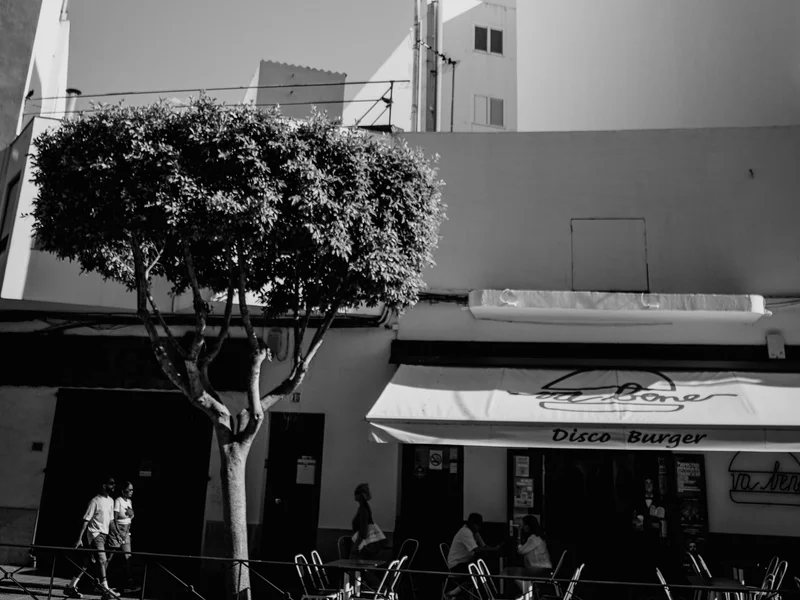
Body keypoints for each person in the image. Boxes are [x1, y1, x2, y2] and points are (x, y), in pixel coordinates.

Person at [65, 477, 118, 599]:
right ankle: (105, 590)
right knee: (102, 559)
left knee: (86, 563)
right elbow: (85, 520)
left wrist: (117, 535)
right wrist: (79, 539)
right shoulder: (95, 501)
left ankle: (70, 587)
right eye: (111, 484)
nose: (114, 486)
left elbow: (111, 521)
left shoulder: (110, 501)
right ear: (104, 486)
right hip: (95, 534)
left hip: (104, 535)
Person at [445, 513, 500, 596]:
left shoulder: (474, 532)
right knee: (474, 577)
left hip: (464, 562)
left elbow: (484, 546)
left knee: (480, 573)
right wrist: (494, 549)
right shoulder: (465, 532)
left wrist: (494, 548)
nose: (479, 527)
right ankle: (451, 594)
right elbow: (476, 549)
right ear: (472, 524)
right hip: (456, 564)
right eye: (477, 525)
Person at [107, 482, 134, 592]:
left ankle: (128, 583)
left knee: (127, 557)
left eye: (132, 490)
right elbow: (114, 519)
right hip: (118, 530)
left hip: (126, 531)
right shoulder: (118, 501)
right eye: (129, 490)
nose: (131, 492)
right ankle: (101, 581)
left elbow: (130, 516)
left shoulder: (129, 501)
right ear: (123, 491)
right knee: (109, 556)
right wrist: (118, 533)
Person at [349, 483, 386, 559]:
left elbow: (363, 531)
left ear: (361, 495)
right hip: (364, 544)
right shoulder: (365, 508)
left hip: (362, 545)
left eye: (356, 493)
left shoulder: (363, 510)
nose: (354, 495)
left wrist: (355, 547)